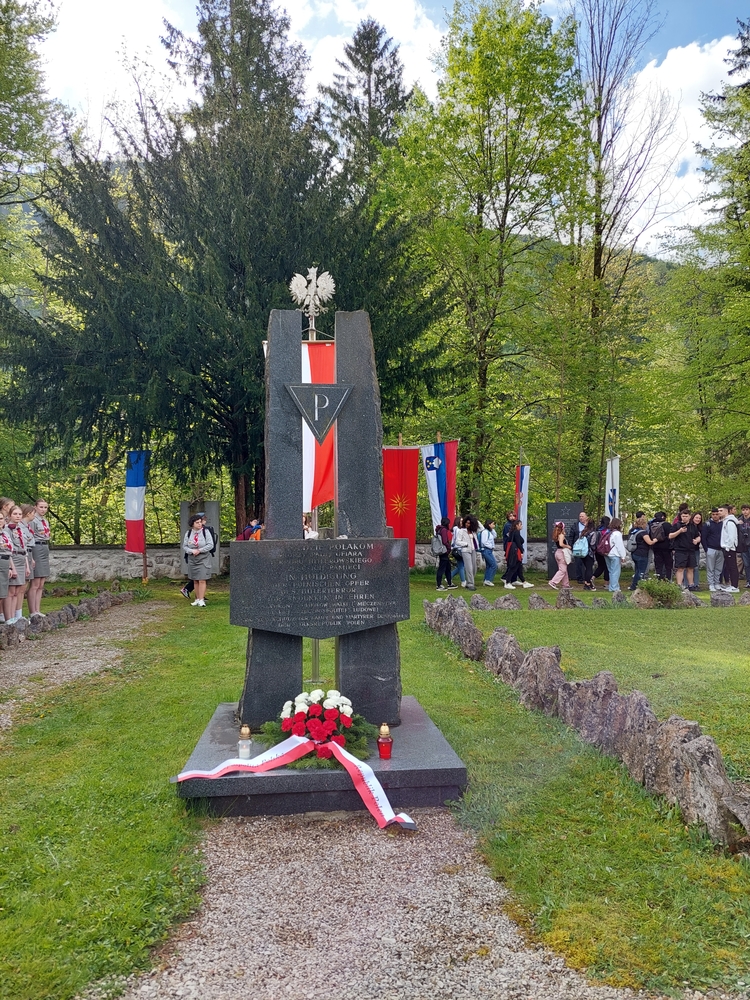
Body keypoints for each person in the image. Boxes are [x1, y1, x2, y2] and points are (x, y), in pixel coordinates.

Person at [182, 514, 214, 607]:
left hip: (203, 558)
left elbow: (210, 544)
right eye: (197, 522)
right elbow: (185, 546)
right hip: (193, 559)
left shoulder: (206, 532)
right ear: (192, 524)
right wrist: (192, 551)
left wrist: (200, 550)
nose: (200, 524)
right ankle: (196, 599)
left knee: (202, 579)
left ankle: (201, 599)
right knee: (195, 579)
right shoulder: (188, 533)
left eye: (200, 522)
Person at [27, 498, 51, 616]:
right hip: (36, 547)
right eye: (41, 507)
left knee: (41, 583)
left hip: (44, 547)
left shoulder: (45, 521)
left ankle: (38, 610)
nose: (43, 509)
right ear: (35, 507)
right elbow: (29, 537)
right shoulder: (33, 520)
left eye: (45, 507)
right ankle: (32, 612)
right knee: (35, 582)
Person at [6, 505, 30, 622]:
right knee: (11, 591)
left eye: (20, 514)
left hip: (21, 558)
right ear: (10, 515)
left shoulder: (19, 529)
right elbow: (8, 549)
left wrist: (27, 565)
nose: (18, 516)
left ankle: (16, 616)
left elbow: (24, 547)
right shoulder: (7, 529)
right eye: (15, 514)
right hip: (13, 559)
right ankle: (9, 618)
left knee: (17, 590)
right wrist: (12, 567)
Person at [669, 508, 701, 589]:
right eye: (683, 516)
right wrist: (679, 531)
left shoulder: (693, 526)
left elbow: (698, 536)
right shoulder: (676, 525)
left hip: (691, 550)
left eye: (686, 516)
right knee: (680, 568)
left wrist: (696, 540)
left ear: (690, 517)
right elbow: (670, 536)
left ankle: (691, 585)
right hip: (680, 550)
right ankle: (679, 585)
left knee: (690, 568)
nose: (684, 518)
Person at [628, 514, 656, 590]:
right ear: (643, 524)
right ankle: (634, 586)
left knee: (637, 570)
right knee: (641, 572)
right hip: (642, 554)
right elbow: (649, 542)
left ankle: (634, 585)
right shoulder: (643, 532)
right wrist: (655, 540)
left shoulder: (633, 531)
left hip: (634, 553)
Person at [505, 519, 533, 589]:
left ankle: (524, 582)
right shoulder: (516, 532)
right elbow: (518, 543)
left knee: (519, 567)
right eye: (520, 524)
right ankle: (507, 582)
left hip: (513, 550)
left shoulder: (512, 532)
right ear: (517, 525)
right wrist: (521, 551)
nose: (521, 526)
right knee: (514, 567)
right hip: (515, 551)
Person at [701, 508, 724, 593]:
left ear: (719, 515)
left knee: (719, 568)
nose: (715, 516)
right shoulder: (707, 524)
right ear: (711, 515)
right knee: (710, 568)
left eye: (716, 514)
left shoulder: (722, 524)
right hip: (711, 548)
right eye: (713, 514)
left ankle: (717, 583)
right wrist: (706, 549)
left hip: (720, 549)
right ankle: (711, 584)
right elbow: (703, 538)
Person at [719, 504, 740, 592]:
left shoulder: (730, 522)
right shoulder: (725, 521)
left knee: (732, 567)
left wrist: (728, 548)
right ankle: (732, 585)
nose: (719, 512)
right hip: (727, 548)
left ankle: (735, 586)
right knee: (729, 567)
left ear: (726, 511)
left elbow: (732, 537)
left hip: (730, 548)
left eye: (721, 511)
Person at [455, 515, 479, 591]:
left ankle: (470, 581)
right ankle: (470, 583)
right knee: (469, 567)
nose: (467, 524)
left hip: (473, 550)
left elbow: (482, 528)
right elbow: (457, 541)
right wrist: (465, 544)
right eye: (466, 523)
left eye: (469, 523)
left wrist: (475, 520)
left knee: (474, 568)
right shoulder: (462, 531)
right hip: (465, 550)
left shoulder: (473, 531)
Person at [0, 512, 15, 623]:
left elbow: (8, 551)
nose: (0, 521)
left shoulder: (4, 534)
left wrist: (10, 567)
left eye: (1, 518)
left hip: (5, 561)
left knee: (2, 593)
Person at [649, 512, 673, 581]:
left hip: (656, 547)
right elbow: (671, 536)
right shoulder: (667, 525)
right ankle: (668, 580)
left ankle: (659, 579)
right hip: (666, 548)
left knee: (658, 565)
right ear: (663, 517)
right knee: (668, 565)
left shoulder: (651, 525)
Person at [605, 517, 627, 592]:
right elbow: (619, 546)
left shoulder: (608, 532)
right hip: (615, 554)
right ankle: (614, 588)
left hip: (607, 553)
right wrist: (623, 556)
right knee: (615, 572)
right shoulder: (617, 534)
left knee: (611, 571)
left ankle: (613, 586)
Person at [435, 517, 457, 591]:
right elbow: (444, 541)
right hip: (444, 551)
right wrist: (448, 547)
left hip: (441, 551)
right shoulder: (444, 530)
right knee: (442, 568)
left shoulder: (439, 530)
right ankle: (439, 585)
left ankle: (449, 583)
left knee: (448, 567)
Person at [568, 511, 589, 585]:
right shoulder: (575, 525)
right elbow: (571, 536)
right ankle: (579, 579)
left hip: (587, 547)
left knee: (588, 564)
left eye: (582, 516)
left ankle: (588, 578)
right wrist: (571, 545)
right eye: (580, 516)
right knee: (578, 564)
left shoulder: (589, 526)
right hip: (578, 548)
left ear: (586, 517)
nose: (581, 518)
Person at [548, 520, 571, 589]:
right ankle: (553, 582)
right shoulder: (561, 535)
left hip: (558, 552)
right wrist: (568, 546)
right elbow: (561, 544)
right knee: (562, 570)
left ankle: (565, 584)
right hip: (562, 552)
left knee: (564, 569)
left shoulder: (556, 535)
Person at [592, 515, 611, 584]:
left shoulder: (597, 529)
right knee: (606, 567)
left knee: (601, 565)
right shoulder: (608, 530)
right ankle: (606, 582)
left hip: (597, 551)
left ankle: (593, 577)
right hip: (605, 551)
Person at [479, 518, 498, 586]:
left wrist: (492, 529)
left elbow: (495, 535)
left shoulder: (489, 532)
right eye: (493, 524)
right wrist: (490, 546)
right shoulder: (485, 532)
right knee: (494, 565)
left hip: (489, 550)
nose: (494, 525)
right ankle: (488, 580)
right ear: (489, 524)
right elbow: (483, 542)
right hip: (486, 550)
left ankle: (486, 580)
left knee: (489, 565)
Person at [689, 512, 704, 589]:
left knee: (696, 567)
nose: (698, 519)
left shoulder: (701, 528)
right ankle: (687, 584)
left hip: (696, 549)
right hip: (688, 549)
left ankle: (696, 584)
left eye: (699, 518)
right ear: (693, 518)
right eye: (696, 517)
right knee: (688, 567)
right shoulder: (689, 526)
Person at [500, 511, 515, 582]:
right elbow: (510, 535)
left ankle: (514, 579)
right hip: (509, 546)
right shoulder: (508, 525)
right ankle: (505, 577)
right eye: (510, 516)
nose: (512, 517)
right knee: (511, 562)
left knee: (516, 563)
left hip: (513, 545)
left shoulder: (513, 525)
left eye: (513, 516)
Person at [451, 516, 466, 585]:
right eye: (461, 521)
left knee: (461, 566)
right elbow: (457, 539)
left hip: (458, 548)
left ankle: (449, 576)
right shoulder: (457, 529)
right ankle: (463, 581)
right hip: (458, 549)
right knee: (462, 566)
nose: (462, 522)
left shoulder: (457, 529)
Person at [738, 504, 750, 587]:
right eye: (743, 510)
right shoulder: (739, 520)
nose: (745, 511)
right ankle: (748, 581)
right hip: (743, 546)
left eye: (746, 509)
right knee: (746, 565)